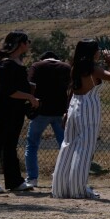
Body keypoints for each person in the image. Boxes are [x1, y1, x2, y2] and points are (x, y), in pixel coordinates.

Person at [51, 40, 110, 199]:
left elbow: (71, 90)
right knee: (84, 149)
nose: (99, 52)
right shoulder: (93, 69)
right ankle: (77, 190)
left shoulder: (74, 67)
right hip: (88, 107)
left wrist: (66, 112)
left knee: (67, 146)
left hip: (74, 105)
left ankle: (59, 189)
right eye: (97, 50)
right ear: (92, 52)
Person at [0, 31, 38, 193]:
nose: (29, 44)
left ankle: (14, 181)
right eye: (27, 41)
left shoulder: (17, 62)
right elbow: (9, 90)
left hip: (15, 108)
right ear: (20, 43)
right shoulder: (6, 64)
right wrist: (30, 97)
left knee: (11, 144)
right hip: (3, 107)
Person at [24, 51, 72, 188]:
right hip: (60, 111)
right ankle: (64, 176)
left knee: (32, 144)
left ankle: (32, 178)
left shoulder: (37, 66)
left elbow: (31, 85)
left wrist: (31, 101)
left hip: (41, 110)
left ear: (42, 59)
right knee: (64, 145)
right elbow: (72, 88)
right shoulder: (66, 67)